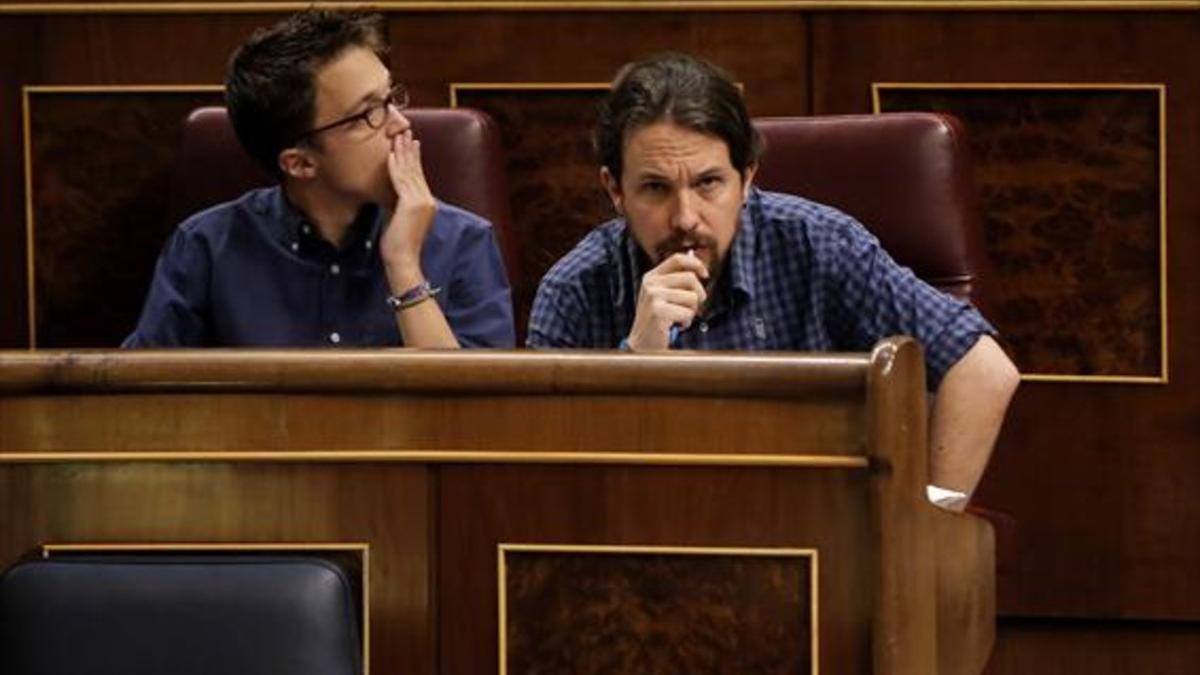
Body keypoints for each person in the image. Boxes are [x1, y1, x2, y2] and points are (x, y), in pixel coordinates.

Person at [527, 52, 1019, 507]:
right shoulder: (573, 289)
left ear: (747, 177)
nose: (685, 218)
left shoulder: (820, 246)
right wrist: (634, 365)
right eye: (655, 188)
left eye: (708, 184)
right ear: (615, 190)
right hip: (644, 548)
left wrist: (921, 529)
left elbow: (983, 372)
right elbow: (537, 479)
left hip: (811, 540)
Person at [124, 9, 513, 348]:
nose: (400, 123)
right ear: (299, 163)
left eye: (391, 99)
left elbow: (470, 416)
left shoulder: (464, 242)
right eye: (369, 114)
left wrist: (404, 264)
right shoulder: (205, 249)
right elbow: (140, 404)